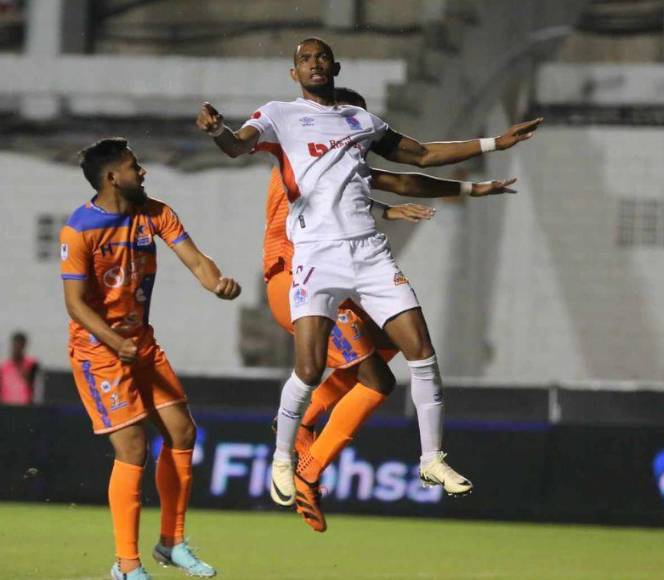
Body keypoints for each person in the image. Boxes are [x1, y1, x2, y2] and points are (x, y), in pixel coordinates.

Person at [196, 36, 541, 509]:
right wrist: (218, 131)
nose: (315, 64)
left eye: (322, 57)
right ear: (294, 73)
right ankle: (284, 456)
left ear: (335, 67)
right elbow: (238, 147)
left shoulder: (360, 124)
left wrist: (492, 146)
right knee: (314, 370)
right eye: (305, 59)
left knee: (417, 351)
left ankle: (431, 458)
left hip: (369, 255)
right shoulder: (282, 120)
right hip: (309, 261)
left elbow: (413, 162)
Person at [262, 86, 517, 531]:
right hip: (294, 276)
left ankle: (308, 421)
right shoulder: (301, 154)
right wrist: (384, 208)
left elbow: (401, 182)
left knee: (389, 344)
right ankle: (309, 466)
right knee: (376, 380)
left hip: (325, 274)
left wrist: (472, 188)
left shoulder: (343, 161)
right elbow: (332, 197)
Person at [60, 138, 241, 580]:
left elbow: (196, 261)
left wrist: (217, 283)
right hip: (98, 352)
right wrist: (113, 341)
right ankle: (126, 565)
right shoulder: (79, 229)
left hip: (140, 343)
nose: (142, 172)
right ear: (111, 178)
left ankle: (171, 543)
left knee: (182, 431)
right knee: (133, 446)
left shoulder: (155, 213)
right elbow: (75, 304)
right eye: (134, 166)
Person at [0, 331, 40, 405]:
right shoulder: (3, 367)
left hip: (26, 406)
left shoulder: (32, 365)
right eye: (16, 345)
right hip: (6, 407)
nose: (17, 348)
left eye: (20, 345)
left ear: (24, 346)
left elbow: (37, 386)